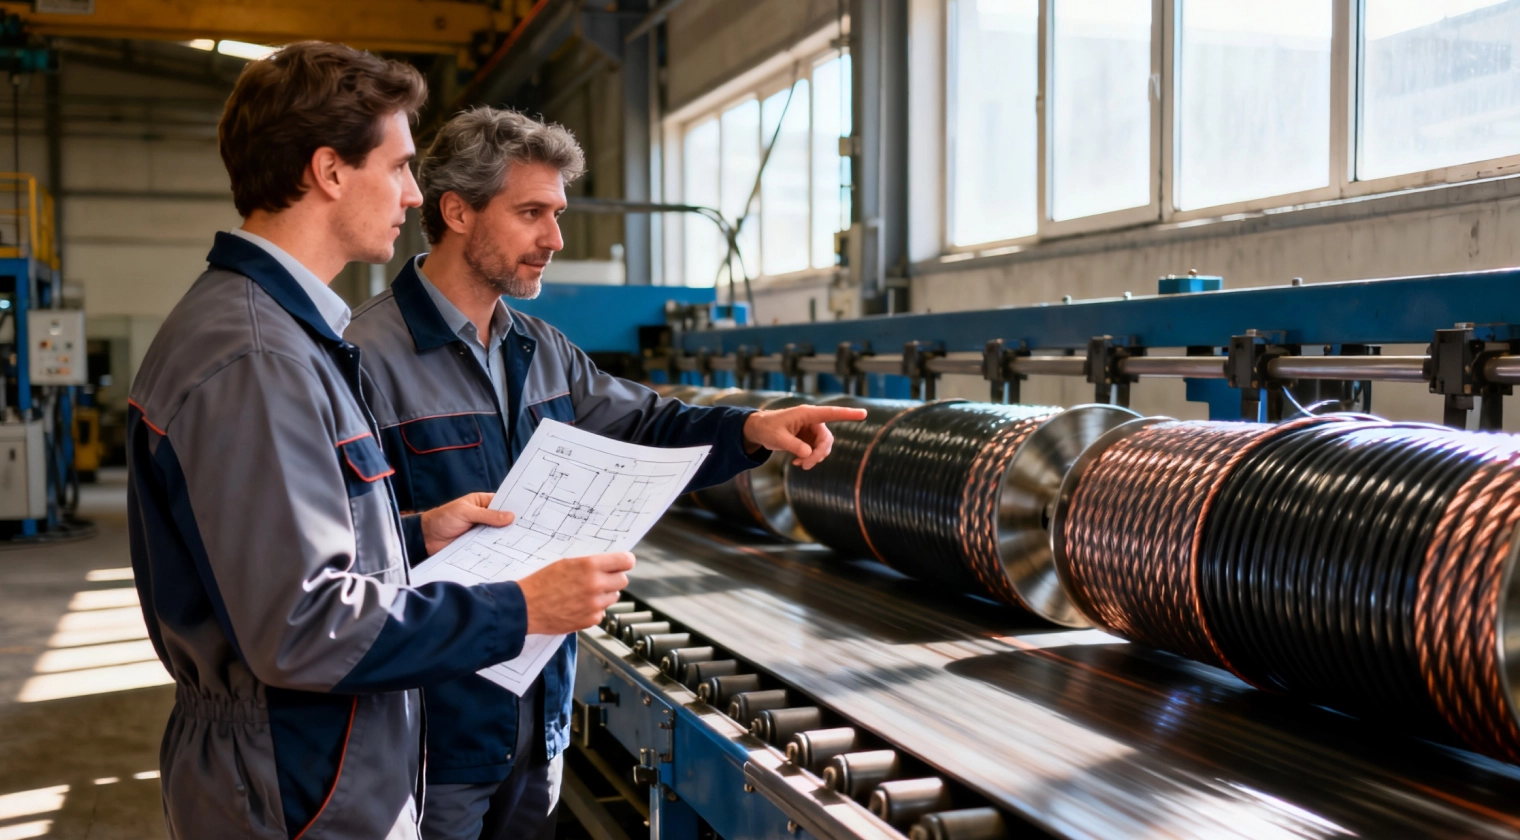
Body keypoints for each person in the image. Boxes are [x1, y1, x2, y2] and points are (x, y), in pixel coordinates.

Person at [127, 44, 636, 840]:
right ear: (330, 171)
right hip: (296, 782)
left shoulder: (289, 338)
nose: (411, 195)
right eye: (398, 167)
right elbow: (302, 625)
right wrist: (520, 608)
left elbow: (268, 561)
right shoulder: (258, 356)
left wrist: (408, 535)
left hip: (314, 764)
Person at [345, 106, 867, 840]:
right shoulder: (360, 358)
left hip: (537, 715)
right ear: (456, 211)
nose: (554, 241)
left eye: (556, 214)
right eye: (531, 213)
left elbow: (648, 425)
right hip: (430, 731)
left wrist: (751, 429)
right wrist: (417, 531)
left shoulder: (542, 350)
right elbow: (330, 546)